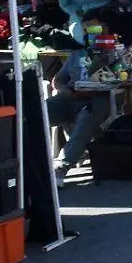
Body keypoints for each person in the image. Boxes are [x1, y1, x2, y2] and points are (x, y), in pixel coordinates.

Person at [47, 50, 108, 188]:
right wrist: (64, 89)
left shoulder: (111, 54)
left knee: (85, 120)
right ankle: (25, 164)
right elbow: (57, 80)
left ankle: (60, 169)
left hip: (94, 100)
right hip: (69, 97)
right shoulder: (78, 54)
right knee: (40, 111)